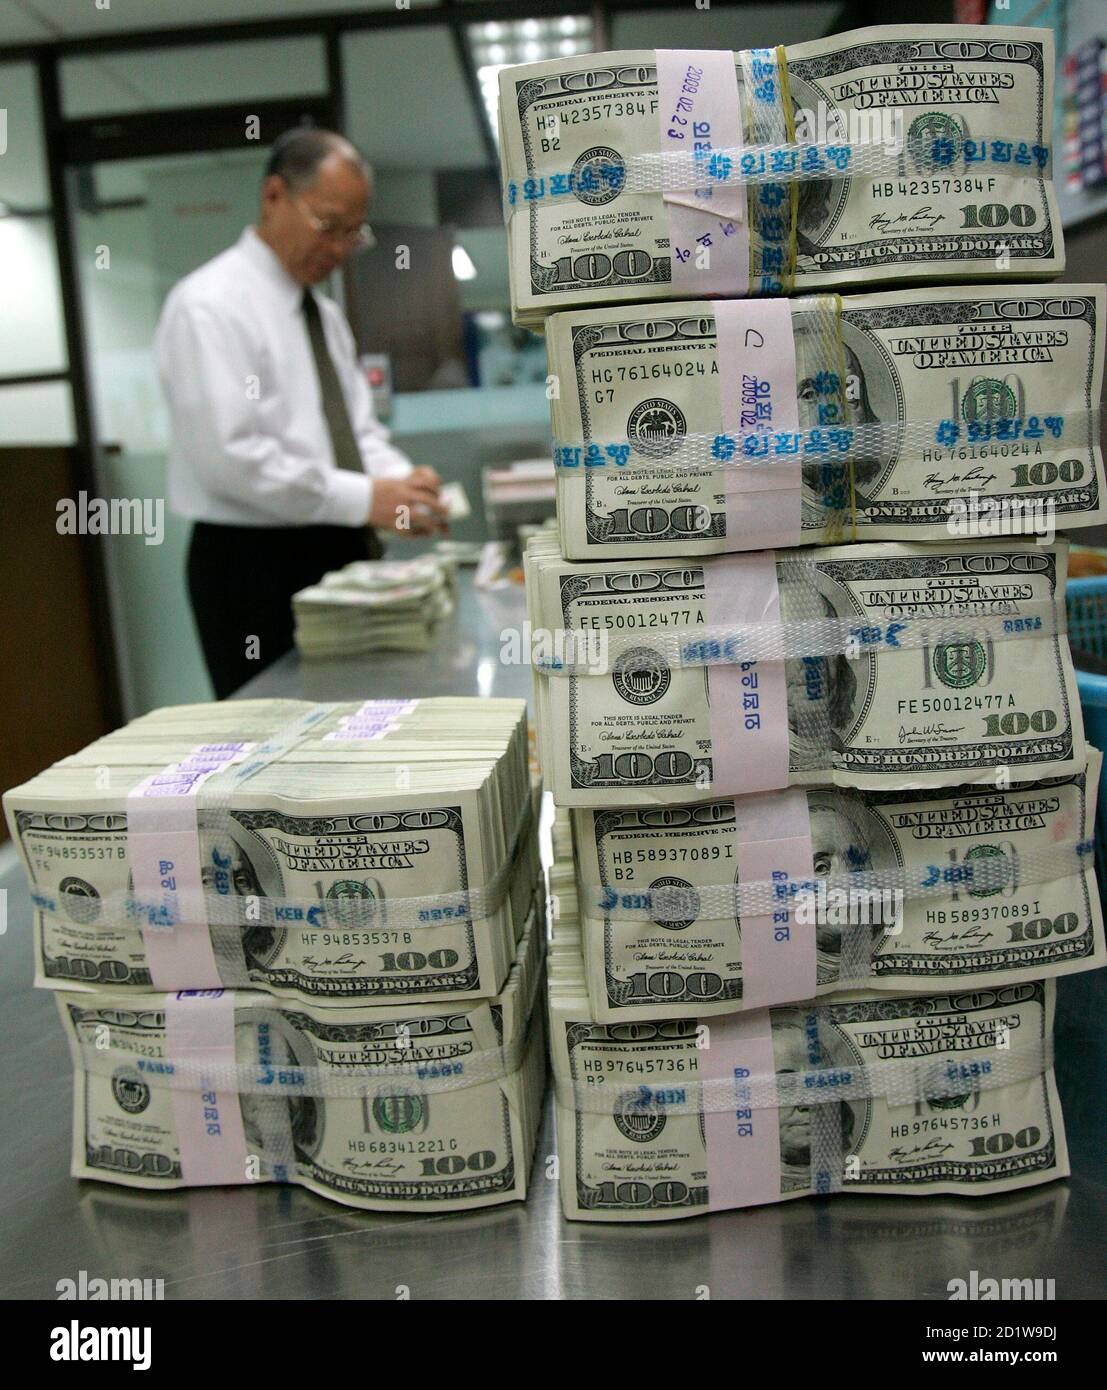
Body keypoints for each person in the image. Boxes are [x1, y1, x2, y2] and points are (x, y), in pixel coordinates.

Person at [155, 127, 447, 697]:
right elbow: (232, 459)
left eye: (352, 234)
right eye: (327, 226)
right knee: (275, 739)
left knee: (361, 720)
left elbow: (357, 430)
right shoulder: (209, 306)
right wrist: (368, 498)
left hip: (336, 544)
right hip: (253, 564)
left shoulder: (325, 315)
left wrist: (402, 485)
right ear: (273, 197)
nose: (338, 249)